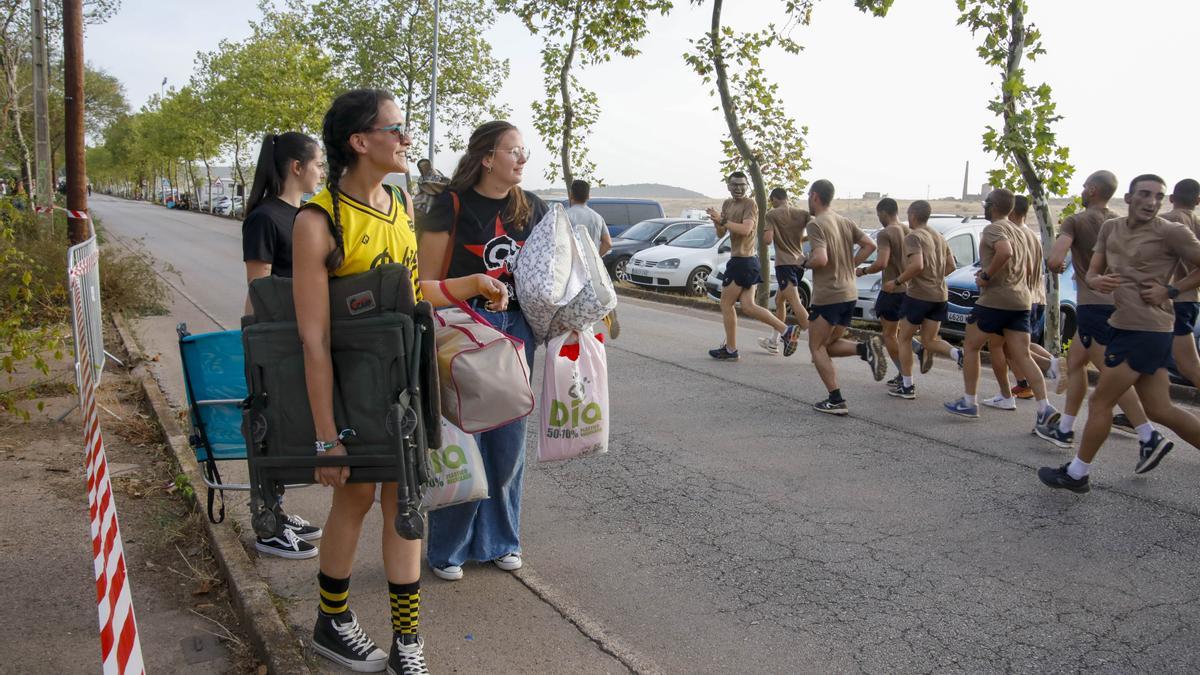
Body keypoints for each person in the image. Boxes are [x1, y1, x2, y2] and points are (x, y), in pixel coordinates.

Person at [294, 88, 507, 673]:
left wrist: (470, 286)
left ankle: (406, 642)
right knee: (355, 494)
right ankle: (332, 621)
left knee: (404, 502)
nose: (406, 137)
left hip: (405, 382)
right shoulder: (318, 222)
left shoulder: (401, 203)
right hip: (350, 386)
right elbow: (312, 338)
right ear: (361, 142)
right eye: (395, 128)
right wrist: (325, 437)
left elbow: (413, 295)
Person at [416, 120, 547, 583]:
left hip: (516, 330)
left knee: (509, 442)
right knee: (463, 437)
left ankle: (500, 542)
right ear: (488, 158)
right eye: (514, 150)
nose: (523, 158)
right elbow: (423, 285)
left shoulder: (533, 208)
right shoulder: (448, 206)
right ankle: (447, 549)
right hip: (463, 328)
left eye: (524, 150)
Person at [1038, 175, 1200, 491]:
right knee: (1159, 408)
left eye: (1157, 196)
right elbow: (1095, 269)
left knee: (1100, 400)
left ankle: (1076, 474)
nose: (1151, 201)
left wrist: (1171, 289)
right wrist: (1096, 280)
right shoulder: (1111, 228)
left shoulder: (1171, 231)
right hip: (1123, 324)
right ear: (1127, 198)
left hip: (1148, 329)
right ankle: (1144, 439)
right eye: (1144, 194)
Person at [241, 131, 327, 560]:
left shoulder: (306, 214)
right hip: (274, 340)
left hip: (302, 337)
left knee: (292, 428)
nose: (322, 170)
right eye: (318, 163)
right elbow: (259, 288)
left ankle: (277, 507)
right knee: (269, 429)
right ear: (297, 167)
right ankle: (267, 525)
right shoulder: (265, 218)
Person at [1038, 171, 1160, 451]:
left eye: (1084, 186)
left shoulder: (1077, 220)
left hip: (1094, 305)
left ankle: (1148, 435)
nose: (1081, 190)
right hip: (1122, 304)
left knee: (1111, 374)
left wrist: (1058, 265)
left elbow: (1057, 259)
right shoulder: (1121, 222)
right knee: (1075, 363)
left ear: (1092, 189)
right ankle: (1065, 429)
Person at [944, 188, 1058, 436]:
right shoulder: (1022, 231)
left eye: (987, 203)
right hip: (1022, 300)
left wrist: (985, 275)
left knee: (971, 347)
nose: (984, 207)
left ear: (994, 206)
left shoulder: (995, 228)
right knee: (1022, 355)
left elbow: (1004, 252)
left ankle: (969, 401)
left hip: (996, 299)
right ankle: (1045, 408)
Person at [804, 179, 885, 414]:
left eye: (809, 196)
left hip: (828, 294)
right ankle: (865, 349)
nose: (809, 200)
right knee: (828, 346)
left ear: (815, 196)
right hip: (849, 293)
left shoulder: (816, 224)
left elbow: (820, 259)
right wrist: (851, 265)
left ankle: (836, 399)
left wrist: (804, 262)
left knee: (816, 346)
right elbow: (869, 245)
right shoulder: (844, 221)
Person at [704, 171, 799, 361]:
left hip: (744, 261)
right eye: (734, 185)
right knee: (748, 306)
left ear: (747, 186)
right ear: (728, 186)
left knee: (726, 303)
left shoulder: (750, 204)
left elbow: (746, 229)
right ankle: (786, 330)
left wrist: (722, 220)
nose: (738, 188)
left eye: (742, 185)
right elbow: (721, 233)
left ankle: (731, 349)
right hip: (744, 261)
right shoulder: (728, 204)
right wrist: (717, 222)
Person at [890, 200, 959, 399]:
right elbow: (951, 266)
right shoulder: (939, 237)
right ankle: (957, 354)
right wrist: (936, 277)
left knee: (903, 338)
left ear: (912, 215)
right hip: (940, 295)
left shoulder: (914, 237)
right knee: (930, 340)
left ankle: (907, 386)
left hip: (918, 296)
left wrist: (897, 281)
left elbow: (917, 265)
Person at [855, 198, 908, 384]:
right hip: (908, 289)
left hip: (892, 289)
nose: (879, 219)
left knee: (889, 335)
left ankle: (904, 375)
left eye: (879, 215)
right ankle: (917, 350)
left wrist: (862, 271)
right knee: (902, 332)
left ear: (884, 212)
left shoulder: (886, 233)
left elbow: (881, 262)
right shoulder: (907, 230)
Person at [759, 187, 811, 354]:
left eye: (771, 200)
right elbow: (815, 229)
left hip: (784, 264)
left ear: (774, 199)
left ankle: (820, 344)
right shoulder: (802, 213)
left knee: (795, 303)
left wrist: (764, 233)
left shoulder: (772, 214)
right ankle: (774, 341)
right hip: (799, 263)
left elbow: (767, 240)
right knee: (780, 300)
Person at [566, 179, 620, 338]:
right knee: (592, 297)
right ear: (588, 196)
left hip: (572, 267)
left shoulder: (566, 215)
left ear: (571, 195)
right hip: (592, 266)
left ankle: (575, 337)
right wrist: (596, 256)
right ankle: (605, 312)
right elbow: (608, 243)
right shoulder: (597, 217)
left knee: (573, 305)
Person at [1162, 179, 1200, 388]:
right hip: (1190, 299)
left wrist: (1173, 289)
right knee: (1154, 361)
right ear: (1198, 200)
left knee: (1188, 366)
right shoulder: (1197, 223)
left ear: (1171, 198)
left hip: (1172, 300)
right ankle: (1140, 415)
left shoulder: (1166, 221)